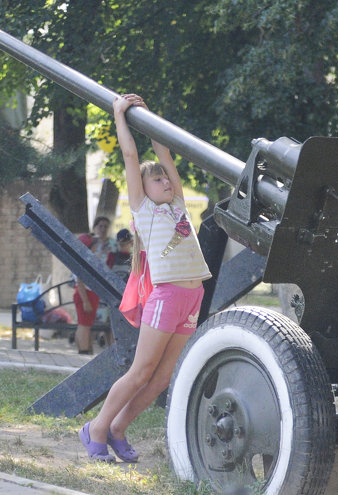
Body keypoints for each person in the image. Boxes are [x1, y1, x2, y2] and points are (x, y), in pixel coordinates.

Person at [78, 93, 211, 462]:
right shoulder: (144, 211)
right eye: (157, 179)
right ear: (144, 187)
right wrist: (122, 115)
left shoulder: (179, 204)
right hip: (166, 297)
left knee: (161, 378)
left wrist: (151, 121)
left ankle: (119, 428)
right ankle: (97, 428)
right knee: (141, 372)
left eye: (166, 178)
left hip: (192, 297)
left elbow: (164, 154)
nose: (165, 182)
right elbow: (131, 157)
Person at [73, 216, 115, 354]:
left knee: (86, 324)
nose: (97, 246)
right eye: (95, 244)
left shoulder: (89, 258)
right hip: (85, 294)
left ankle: (86, 349)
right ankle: (83, 351)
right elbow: (79, 280)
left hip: (90, 293)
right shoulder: (83, 261)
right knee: (84, 325)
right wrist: (85, 301)